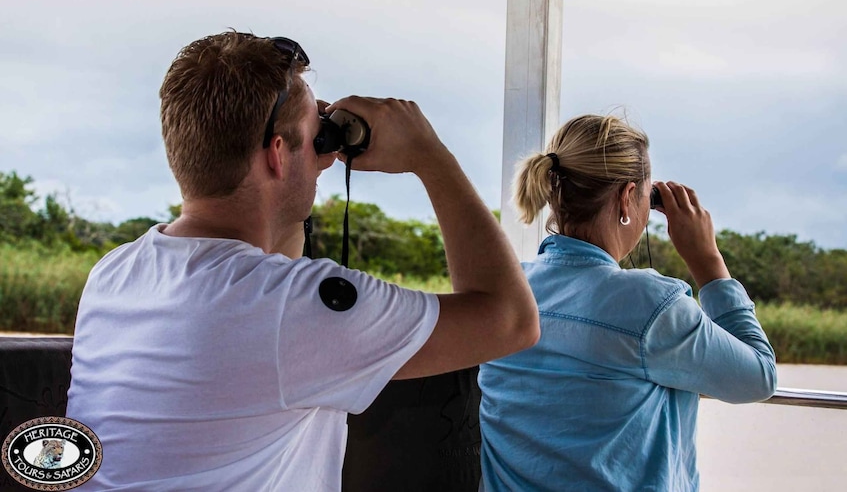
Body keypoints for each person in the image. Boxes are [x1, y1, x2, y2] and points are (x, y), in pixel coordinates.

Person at [66, 30, 539, 491]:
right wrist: (428, 154)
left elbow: (264, 264)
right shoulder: (289, 307)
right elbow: (512, 320)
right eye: (318, 140)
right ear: (276, 154)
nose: (328, 158)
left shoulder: (115, 272)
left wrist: (298, 161)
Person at [477, 114, 777, 492]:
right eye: (647, 198)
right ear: (625, 198)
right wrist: (708, 263)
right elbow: (759, 377)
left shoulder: (508, 291)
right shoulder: (650, 306)